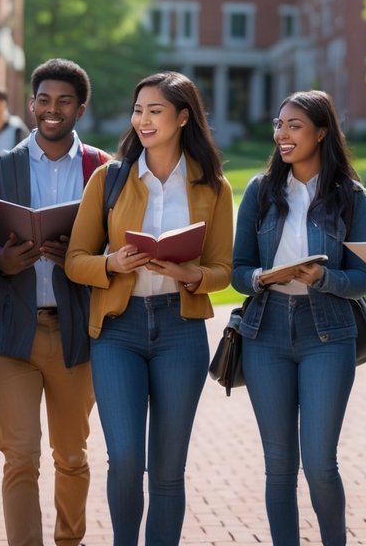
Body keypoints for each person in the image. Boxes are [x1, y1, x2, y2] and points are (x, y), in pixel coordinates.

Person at [64, 71, 233, 546]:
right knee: (124, 459)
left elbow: (223, 267)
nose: (143, 120)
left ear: (183, 117)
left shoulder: (213, 187)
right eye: (138, 111)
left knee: (167, 468)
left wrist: (192, 276)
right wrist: (112, 262)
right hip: (118, 330)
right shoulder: (109, 178)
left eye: (155, 111)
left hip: (182, 331)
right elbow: (76, 262)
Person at [231, 90, 366, 546]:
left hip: (327, 331)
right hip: (265, 332)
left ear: (321, 132)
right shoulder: (260, 191)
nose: (282, 135)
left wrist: (323, 278)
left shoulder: (351, 197)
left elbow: (364, 278)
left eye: (294, 126)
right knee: (278, 466)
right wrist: (260, 277)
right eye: (279, 125)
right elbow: (238, 270)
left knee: (319, 463)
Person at [0, 59, 109, 546]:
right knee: (21, 457)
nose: (53, 110)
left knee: (71, 455)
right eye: (45, 100)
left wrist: (81, 252)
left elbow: (121, 247)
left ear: (80, 108)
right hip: (11, 332)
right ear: (32, 104)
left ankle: (69, 540)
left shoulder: (103, 170)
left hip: (76, 332)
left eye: (65, 101)